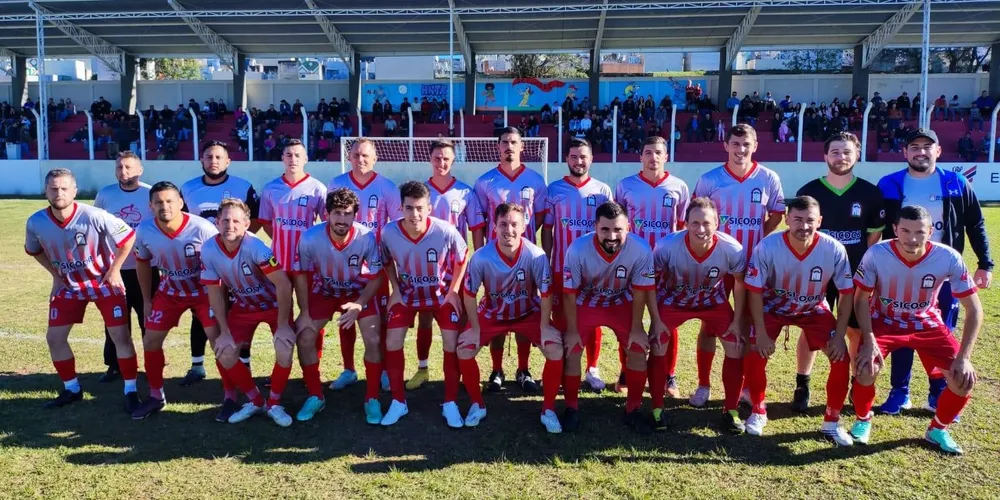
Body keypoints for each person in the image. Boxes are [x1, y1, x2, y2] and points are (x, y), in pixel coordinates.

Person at [875, 128, 992, 415]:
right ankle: (900, 392)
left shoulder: (956, 183)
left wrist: (985, 263)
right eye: (914, 146)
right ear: (905, 153)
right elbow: (877, 230)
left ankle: (936, 392)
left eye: (927, 146)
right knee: (902, 330)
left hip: (944, 273)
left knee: (941, 334)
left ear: (938, 151)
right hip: (901, 272)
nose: (921, 152)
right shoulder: (889, 184)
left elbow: (975, 224)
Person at [851, 205, 982, 454]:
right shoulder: (877, 254)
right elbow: (860, 299)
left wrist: (964, 358)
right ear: (894, 230)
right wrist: (868, 341)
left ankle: (937, 430)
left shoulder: (948, 256)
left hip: (927, 324)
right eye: (905, 231)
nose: (912, 239)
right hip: (884, 321)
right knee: (865, 369)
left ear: (931, 231)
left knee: (963, 381)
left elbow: (975, 310)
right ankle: (862, 420)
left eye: (920, 232)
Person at [742, 196, 855, 445]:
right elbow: (755, 291)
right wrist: (760, 332)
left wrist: (839, 334)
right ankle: (758, 410)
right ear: (786, 219)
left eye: (810, 221)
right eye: (798, 220)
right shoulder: (768, 247)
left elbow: (847, 294)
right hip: (773, 308)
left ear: (820, 221)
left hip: (813, 309)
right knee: (754, 350)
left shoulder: (833, 248)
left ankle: (831, 422)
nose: (804, 226)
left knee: (841, 357)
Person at [25, 169, 138, 410]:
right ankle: (72, 388)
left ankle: (131, 390)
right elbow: (34, 250)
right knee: (54, 338)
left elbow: (128, 237)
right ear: (45, 191)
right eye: (54, 188)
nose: (59, 193)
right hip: (69, 285)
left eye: (65, 188)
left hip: (103, 283)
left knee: (120, 336)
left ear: (74, 191)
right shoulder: (36, 221)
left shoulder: (95, 215)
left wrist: (115, 269)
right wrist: (55, 276)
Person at [691, 124, 784, 408]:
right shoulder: (710, 179)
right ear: (726, 145)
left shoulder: (768, 177)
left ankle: (743, 387)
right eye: (735, 144)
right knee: (710, 324)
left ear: (755, 146)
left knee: (745, 326)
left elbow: (777, 214)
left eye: (746, 144)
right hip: (717, 264)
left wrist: (757, 239)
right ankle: (703, 384)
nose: (740, 150)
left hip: (753, 264)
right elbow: (698, 215)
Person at [791, 132, 884, 412]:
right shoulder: (810, 191)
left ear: (857, 155)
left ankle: (857, 383)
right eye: (835, 152)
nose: (840, 157)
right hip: (816, 273)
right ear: (825, 156)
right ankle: (802, 382)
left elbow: (873, 237)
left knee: (855, 330)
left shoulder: (870, 192)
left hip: (854, 274)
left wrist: (853, 261)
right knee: (811, 329)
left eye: (847, 152)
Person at [458, 202, 565, 432]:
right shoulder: (481, 257)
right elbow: (469, 294)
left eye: (514, 224)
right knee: (464, 349)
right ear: (494, 228)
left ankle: (548, 410)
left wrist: (545, 326)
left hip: (528, 313)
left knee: (555, 349)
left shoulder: (536, 255)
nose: (509, 230)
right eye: (503, 224)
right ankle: (478, 404)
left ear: (525, 226)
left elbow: (546, 294)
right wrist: (475, 328)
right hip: (492, 313)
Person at [202, 199, 302, 427]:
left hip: (274, 306)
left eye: (236, 220)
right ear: (217, 222)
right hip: (244, 307)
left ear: (247, 224)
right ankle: (256, 401)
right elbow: (214, 291)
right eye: (225, 220)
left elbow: (284, 285)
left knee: (284, 346)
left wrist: (284, 324)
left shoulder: (256, 247)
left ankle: (275, 403)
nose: (230, 225)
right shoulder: (208, 249)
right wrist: (224, 331)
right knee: (224, 351)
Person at [650, 197, 747, 433]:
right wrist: (655, 319)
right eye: (695, 223)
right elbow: (649, 283)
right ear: (685, 223)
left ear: (717, 223)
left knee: (736, 345)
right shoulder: (666, 246)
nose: (701, 229)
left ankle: (731, 410)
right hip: (673, 301)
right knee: (658, 342)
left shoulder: (732, 248)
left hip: (712, 302)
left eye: (706, 223)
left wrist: (736, 321)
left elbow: (740, 284)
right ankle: (656, 409)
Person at [561, 201, 659, 433]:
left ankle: (633, 408)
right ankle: (571, 408)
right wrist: (573, 331)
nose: (612, 236)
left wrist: (637, 327)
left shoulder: (641, 249)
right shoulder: (577, 249)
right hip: (587, 302)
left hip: (621, 303)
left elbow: (641, 290)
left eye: (618, 230)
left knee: (636, 347)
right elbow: (568, 293)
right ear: (595, 227)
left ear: (628, 227)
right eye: (605, 229)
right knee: (572, 348)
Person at [379, 181, 469, 427]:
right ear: (401, 208)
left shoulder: (446, 230)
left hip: (441, 295)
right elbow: (386, 260)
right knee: (392, 340)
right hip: (407, 295)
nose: (414, 214)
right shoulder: (389, 232)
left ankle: (450, 402)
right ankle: (399, 402)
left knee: (451, 343)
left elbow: (463, 257)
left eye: (420, 208)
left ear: (429, 208)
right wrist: (395, 290)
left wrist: (454, 292)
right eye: (409, 208)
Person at [293, 188, 386, 424]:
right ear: (327, 214)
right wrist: (303, 311)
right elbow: (301, 275)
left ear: (355, 214)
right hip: (324, 291)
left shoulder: (366, 237)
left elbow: (376, 276)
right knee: (304, 336)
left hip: (356, 292)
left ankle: (372, 398)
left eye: (347, 213)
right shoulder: (310, 237)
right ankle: (315, 395)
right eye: (337, 213)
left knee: (373, 339)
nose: (342, 219)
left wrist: (359, 304)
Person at [130, 182, 220, 420]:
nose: (164, 206)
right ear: (150, 206)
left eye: (170, 201)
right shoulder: (145, 230)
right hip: (169, 292)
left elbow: (221, 260)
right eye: (158, 202)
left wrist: (222, 296)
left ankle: (230, 397)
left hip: (203, 292)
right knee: (150, 340)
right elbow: (142, 262)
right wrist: (147, 300)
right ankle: (156, 396)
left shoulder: (202, 228)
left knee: (218, 343)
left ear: (181, 203)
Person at [471, 126, 549, 394]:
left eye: (514, 142)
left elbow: (538, 219)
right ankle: (496, 370)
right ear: (498, 147)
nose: (509, 146)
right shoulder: (485, 182)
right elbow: (480, 221)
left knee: (524, 310)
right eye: (504, 142)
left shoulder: (537, 181)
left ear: (522, 146)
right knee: (498, 310)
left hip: (527, 261)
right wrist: (483, 254)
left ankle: (523, 369)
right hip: (494, 260)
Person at [179, 140, 261, 387]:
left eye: (218, 157)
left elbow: (254, 219)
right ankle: (197, 365)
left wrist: (236, 244)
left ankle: (244, 363)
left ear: (228, 161)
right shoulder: (188, 188)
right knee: (200, 312)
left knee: (239, 312)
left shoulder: (243, 187)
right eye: (209, 157)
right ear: (201, 160)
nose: (213, 161)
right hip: (201, 261)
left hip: (235, 261)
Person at [615, 135, 690, 396]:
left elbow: (682, 227)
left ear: (665, 156)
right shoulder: (625, 186)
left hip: (667, 265)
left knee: (667, 322)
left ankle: (668, 375)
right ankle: (626, 370)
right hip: (632, 263)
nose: (653, 157)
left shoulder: (679, 186)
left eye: (658, 152)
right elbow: (618, 226)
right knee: (627, 320)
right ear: (640, 156)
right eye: (648, 152)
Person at [328, 138, 401, 391]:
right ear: (350, 157)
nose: (361, 159)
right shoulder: (337, 184)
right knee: (345, 317)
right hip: (343, 264)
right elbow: (329, 221)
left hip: (376, 266)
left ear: (375, 158)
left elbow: (395, 227)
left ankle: (380, 368)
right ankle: (348, 369)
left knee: (378, 320)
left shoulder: (388, 187)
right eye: (357, 154)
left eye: (366, 155)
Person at [541, 138, 614, 391]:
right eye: (574, 156)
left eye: (583, 156)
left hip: (594, 270)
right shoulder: (554, 190)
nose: (579, 161)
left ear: (591, 159)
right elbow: (548, 229)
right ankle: (561, 365)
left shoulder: (602, 191)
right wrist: (548, 263)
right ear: (567, 159)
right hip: (562, 268)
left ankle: (592, 368)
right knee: (561, 318)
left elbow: (610, 232)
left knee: (591, 319)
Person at [257, 139, 328, 381]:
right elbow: (266, 223)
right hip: (279, 265)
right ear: (282, 158)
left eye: (298, 155)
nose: (293, 159)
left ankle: (313, 368)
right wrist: (280, 240)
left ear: (306, 159)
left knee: (312, 314)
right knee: (282, 316)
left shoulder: (317, 188)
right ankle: (282, 366)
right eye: (288, 154)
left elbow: (326, 224)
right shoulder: (270, 188)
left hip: (308, 265)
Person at [417, 139, 483, 390]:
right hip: (426, 269)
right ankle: (422, 368)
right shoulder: (420, 190)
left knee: (460, 319)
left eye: (446, 158)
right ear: (430, 159)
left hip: (457, 268)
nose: (441, 162)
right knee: (424, 318)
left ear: (453, 161)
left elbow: (476, 229)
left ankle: (461, 371)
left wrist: (475, 263)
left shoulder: (466, 193)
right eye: (437, 158)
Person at [92, 152, 154, 384]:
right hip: (113, 270)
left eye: (129, 167)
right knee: (115, 320)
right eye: (119, 167)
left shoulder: (150, 194)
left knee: (148, 319)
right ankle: (114, 365)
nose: (124, 171)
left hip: (146, 268)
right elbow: (96, 229)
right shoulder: (105, 194)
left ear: (140, 169)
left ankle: (152, 363)